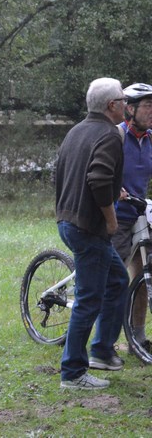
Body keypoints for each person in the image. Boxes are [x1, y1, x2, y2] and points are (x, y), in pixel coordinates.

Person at [55, 77, 129, 390]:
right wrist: (111, 220)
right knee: (89, 298)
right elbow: (98, 181)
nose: (127, 104)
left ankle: (101, 351)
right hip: (89, 228)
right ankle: (72, 372)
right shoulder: (109, 134)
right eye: (124, 100)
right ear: (112, 105)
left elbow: (60, 172)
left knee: (117, 280)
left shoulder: (77, 131)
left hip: (68, 222)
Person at [113, 82, 152, 351]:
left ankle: (137, 336)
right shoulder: (116, 136)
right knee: (112, 280)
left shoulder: (150, 139)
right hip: (114, 217)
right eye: (148, 106)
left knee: (143, 276)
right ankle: (105, 338)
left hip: (141, 215)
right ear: (130, 108)